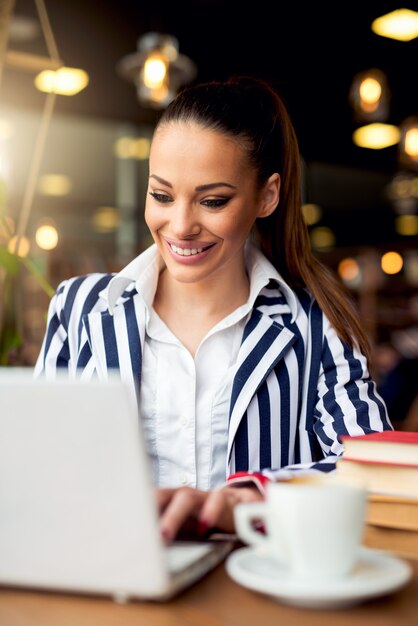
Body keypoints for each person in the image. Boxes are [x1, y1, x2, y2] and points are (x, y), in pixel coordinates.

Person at [35, 75, 392, 542]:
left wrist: (250, 499)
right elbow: (36, 464)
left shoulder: (315, 321)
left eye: (213, 200)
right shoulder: (79, 309)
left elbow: (378, 474)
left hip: (256, 596)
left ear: (267, 195)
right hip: (109, 584)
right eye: (161, 195)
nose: (180, 226)